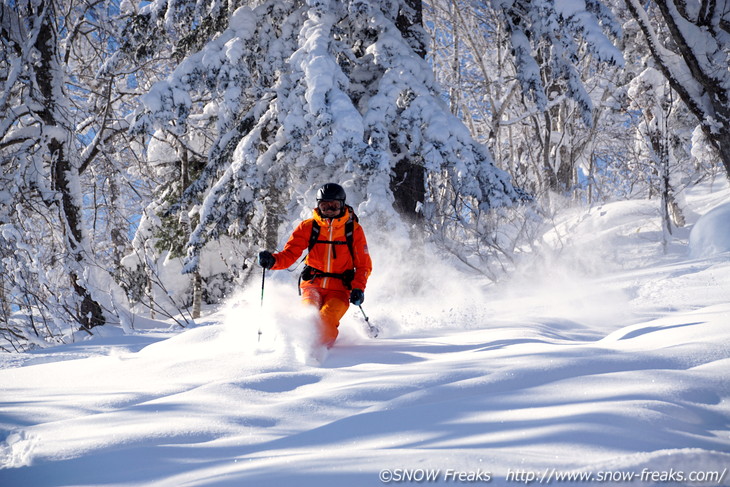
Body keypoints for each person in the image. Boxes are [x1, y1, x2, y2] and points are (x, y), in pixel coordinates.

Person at [258, 183, 372, 347]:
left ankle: (316, 352)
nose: (329, 211)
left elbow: (364, 265)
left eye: (334, 206)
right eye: (324, 206)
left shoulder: (353, 230)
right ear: (318, 206)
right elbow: (290, 254)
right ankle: (294, 348)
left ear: (342, 205)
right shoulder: (308, 227)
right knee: (308, 316)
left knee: (326, 319)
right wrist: (272, 261)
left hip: (339, 290)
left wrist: (358, 288)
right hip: (312, 285)